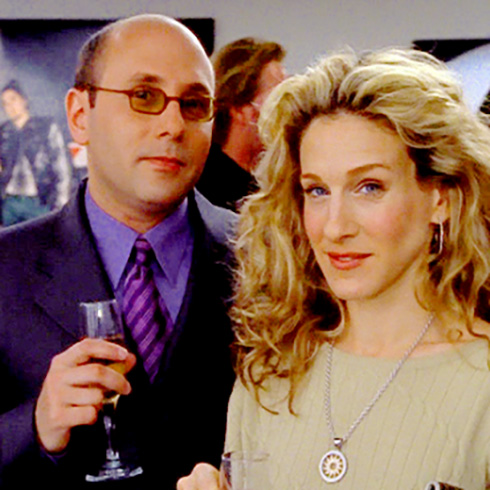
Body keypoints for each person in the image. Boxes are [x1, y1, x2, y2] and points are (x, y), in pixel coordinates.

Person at [178, 47, 490, 489]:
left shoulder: (481, 382)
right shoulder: (272, 373)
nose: (335, 227)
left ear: (441, 197)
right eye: (318, 191)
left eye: (369, 187)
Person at [0, 14, 236, 489]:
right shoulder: (7, 268)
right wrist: (36, 427)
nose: (173, 125)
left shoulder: (270, 260)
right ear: (79, 115)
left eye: (194, 104)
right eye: (144, 96)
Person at [196, 37, 286, 211]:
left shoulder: (276, 181)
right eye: (278, 96)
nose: (290, 108)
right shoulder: (204, 190)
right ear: (239, 109)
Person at [0, 79, 72, 226]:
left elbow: (62, 169)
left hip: (39, 202)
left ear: (24, 100)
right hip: (10, 203)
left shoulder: (46, 127)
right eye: (5, 103)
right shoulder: (3, 132)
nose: (9, 106)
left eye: (13, 99)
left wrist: (61, 206)